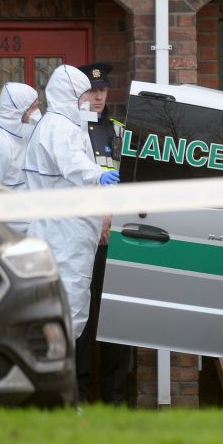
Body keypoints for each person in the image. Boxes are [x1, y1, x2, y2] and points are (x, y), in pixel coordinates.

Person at [23, 64, 120, 346]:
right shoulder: (60, 127)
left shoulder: (63, 125)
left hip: (67, 235)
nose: (88, 101)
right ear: (70, 95)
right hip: (63, 236)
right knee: (64, 308)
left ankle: (54, 379)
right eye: (84, 95)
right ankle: (52, 379)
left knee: (66, 307)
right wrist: (99, 175)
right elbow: (73, 164)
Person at [74, 61, 132, 405]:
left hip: (115, 239)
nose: (98, 97)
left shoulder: (121, 130)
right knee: (80, 324)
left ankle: (115, 402)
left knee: (117, 322)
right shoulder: (69, 131)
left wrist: (113, 221)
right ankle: (78, 399)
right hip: (81, 238)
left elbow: (134, 182)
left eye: (103, 90)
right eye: (92, 90)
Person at [0, 82, 40, 233]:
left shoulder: (27, 134)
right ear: (18, 111)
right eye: (33, 108)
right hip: (10, 237)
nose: (38, 112)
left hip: (34, 230)